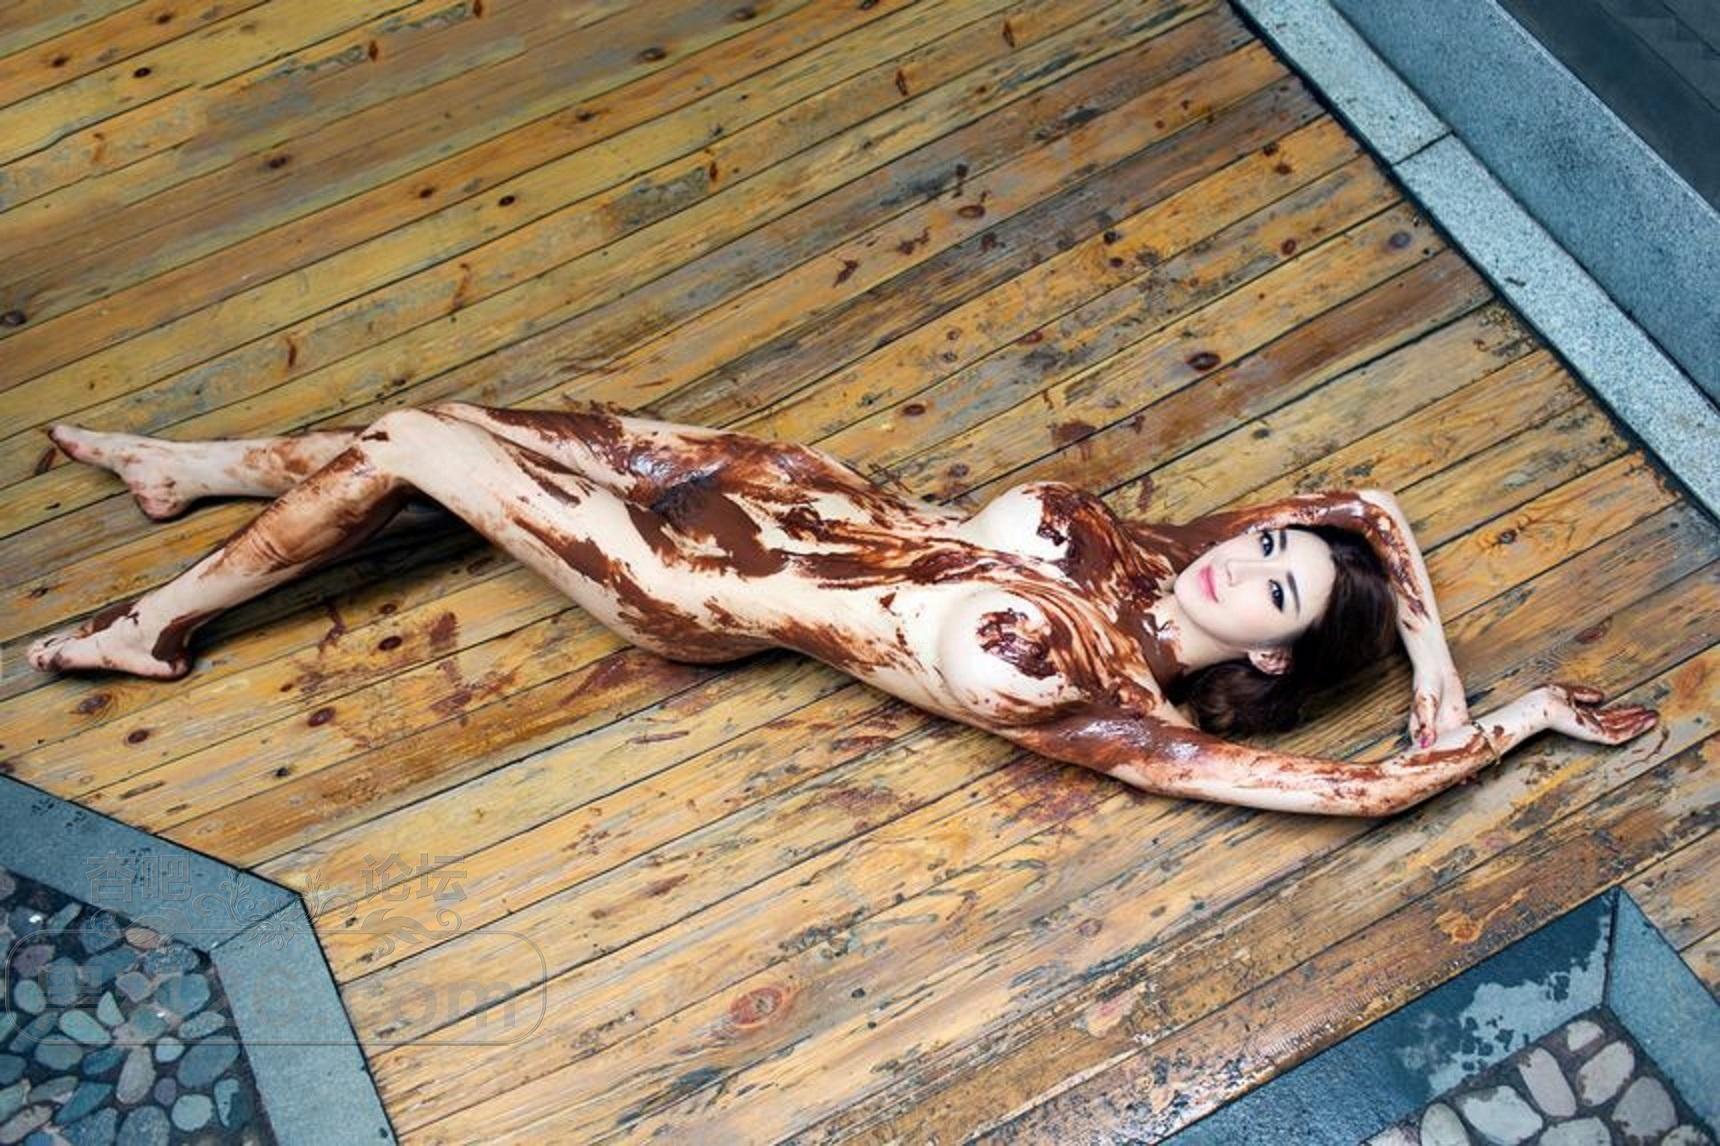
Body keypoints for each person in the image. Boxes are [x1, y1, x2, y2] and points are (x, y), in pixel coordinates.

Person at [27, 402, 1658, 816]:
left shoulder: (1122, 713)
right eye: (1267, 541)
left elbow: (1359, 790)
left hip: (689, 580)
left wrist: (1504, 722)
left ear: (1279, 650)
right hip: (765, 476)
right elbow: (1369, 504)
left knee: (407, 446)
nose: (1251, 554)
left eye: (1275, 581)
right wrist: (1432, 655)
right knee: (435, 426)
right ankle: (191, 468)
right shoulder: (1157, 555)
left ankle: (159, 624)